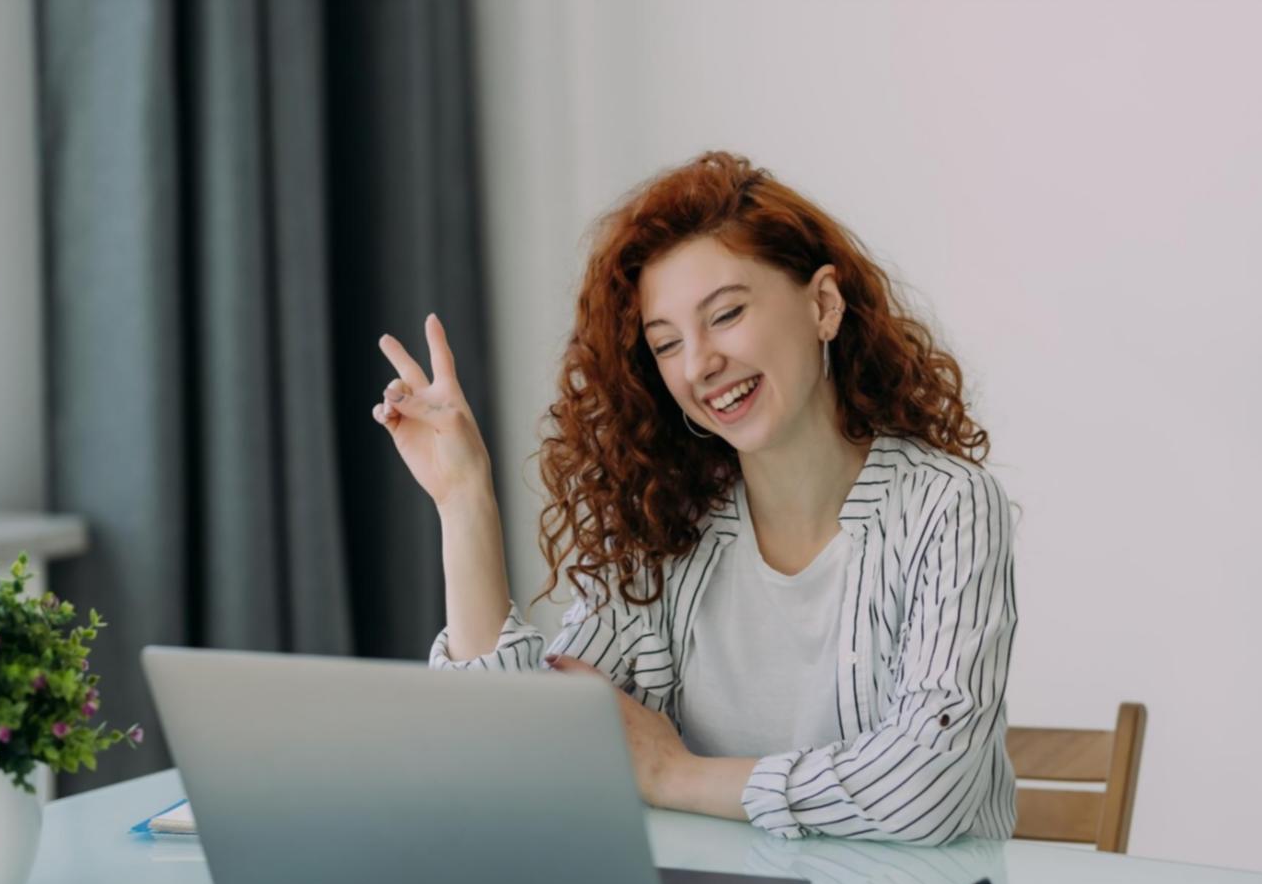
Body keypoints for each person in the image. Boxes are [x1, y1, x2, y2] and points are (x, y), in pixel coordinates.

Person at [371, 151, 1017, 845]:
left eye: (727, 314)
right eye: (666, 344)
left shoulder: (947, 506)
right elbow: (516, 754)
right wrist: (464, 501)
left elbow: (925, 790)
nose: (699, 364)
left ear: (823, 304)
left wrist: (672, 774)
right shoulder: (669, 525)